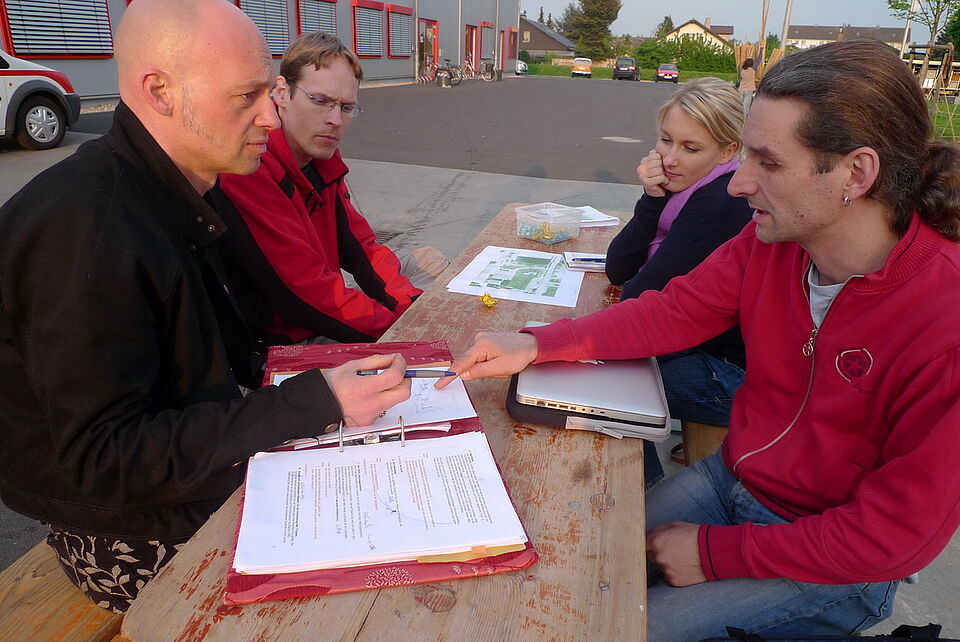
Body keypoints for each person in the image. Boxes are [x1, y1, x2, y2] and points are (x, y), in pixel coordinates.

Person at [438, 39, 960, 638]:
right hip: (732, 478)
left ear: (856, 173)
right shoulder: (776, 241)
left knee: (607, 628)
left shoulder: (943, 319)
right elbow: (674, 311)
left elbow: (894, 537)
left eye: (767, 163)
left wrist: (713, 554)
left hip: (833, 558)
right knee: (562, 560)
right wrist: (537, 344)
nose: (738, 185)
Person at [0, 0, 409, 613]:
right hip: (121, 526)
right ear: (160, 91)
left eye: (270, 93)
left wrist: (310, 389)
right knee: (375, 571)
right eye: (246, 96)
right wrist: (313, 402)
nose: (271, 116)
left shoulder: (182, 186)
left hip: (187, 453)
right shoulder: (89, 232)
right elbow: (102, 460)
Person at [213, 32, 447, 346]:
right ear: (281, 93)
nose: (335, 120)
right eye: (320, 101)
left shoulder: (322, 158)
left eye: (346, 107)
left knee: (431, 262)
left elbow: (360, 247)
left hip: (323, 306)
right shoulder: (250, 168)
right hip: (286, 339)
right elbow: (306, 293)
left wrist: (410, 306)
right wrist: (403, 331)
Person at [605, 77, 752, 487]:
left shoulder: (721, 202)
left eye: (690, 148)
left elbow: (637, 295)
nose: (670, 159)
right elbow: (618, 267)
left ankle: (645, 502)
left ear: (728, 151)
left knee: (614, 387)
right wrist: (652, 198)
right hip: (702, 348)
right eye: (666, 140)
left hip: (735, 377)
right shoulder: (691, 187)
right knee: (611, 365)